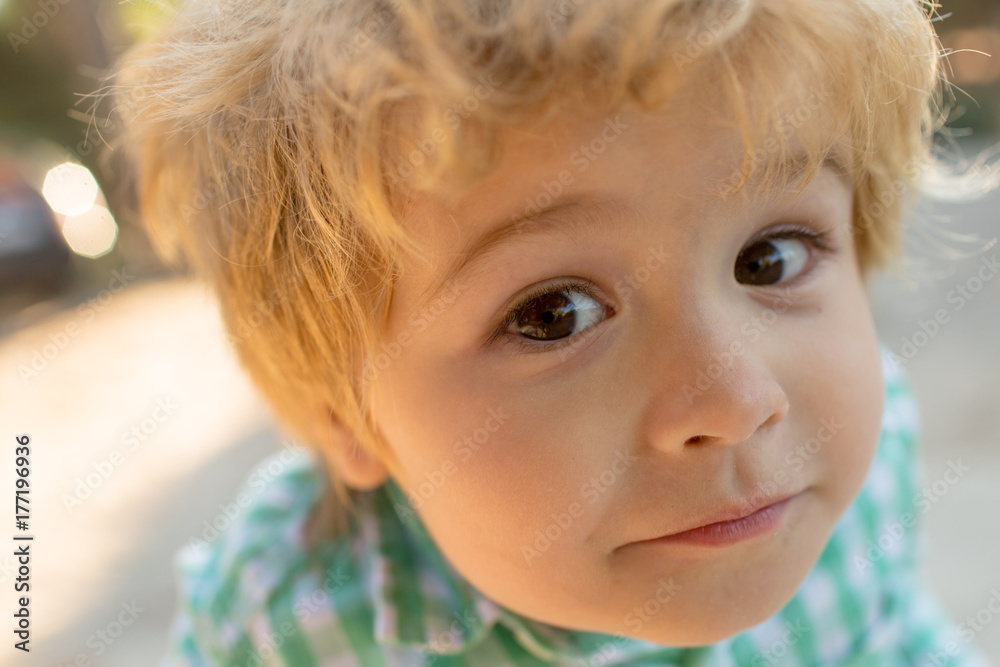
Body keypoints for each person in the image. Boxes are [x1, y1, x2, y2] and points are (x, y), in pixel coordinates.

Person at [113, 0, 996, 663]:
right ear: (347, 415)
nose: (737, 401)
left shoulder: (856, 463)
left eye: (770, 257)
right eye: (553, 314)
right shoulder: (292, 621)